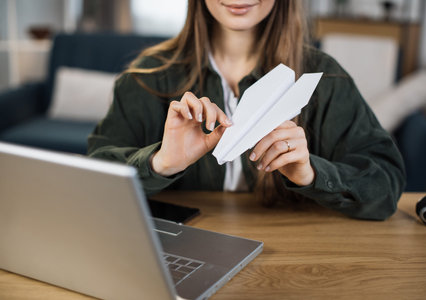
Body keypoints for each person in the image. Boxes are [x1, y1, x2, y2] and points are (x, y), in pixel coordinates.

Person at [88, 0, 406, 220]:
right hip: (181, 254)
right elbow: (91, 186)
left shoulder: (327, 80)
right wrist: (160, 164)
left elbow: (386, 187)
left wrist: (312, 174)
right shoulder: (145, 77)